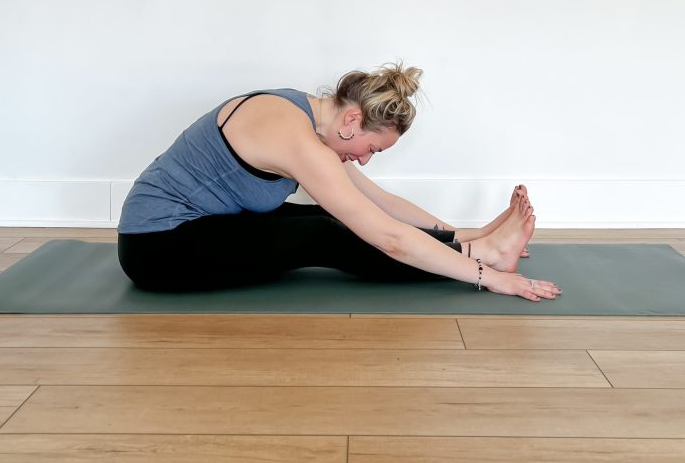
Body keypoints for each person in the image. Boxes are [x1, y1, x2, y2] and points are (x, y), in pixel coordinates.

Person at [117, 63, 561, 302]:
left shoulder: (306, 116)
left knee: (336, 215)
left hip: (202, 225)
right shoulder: (297, 139)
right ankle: (483, 255)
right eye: (371, 148)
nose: (364, 160)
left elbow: (378, 201)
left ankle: (472, 241)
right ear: (352, 119)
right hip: (158, 246)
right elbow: (390, 239)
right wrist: (484, 276)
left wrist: (454, 229)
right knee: (325, 233)